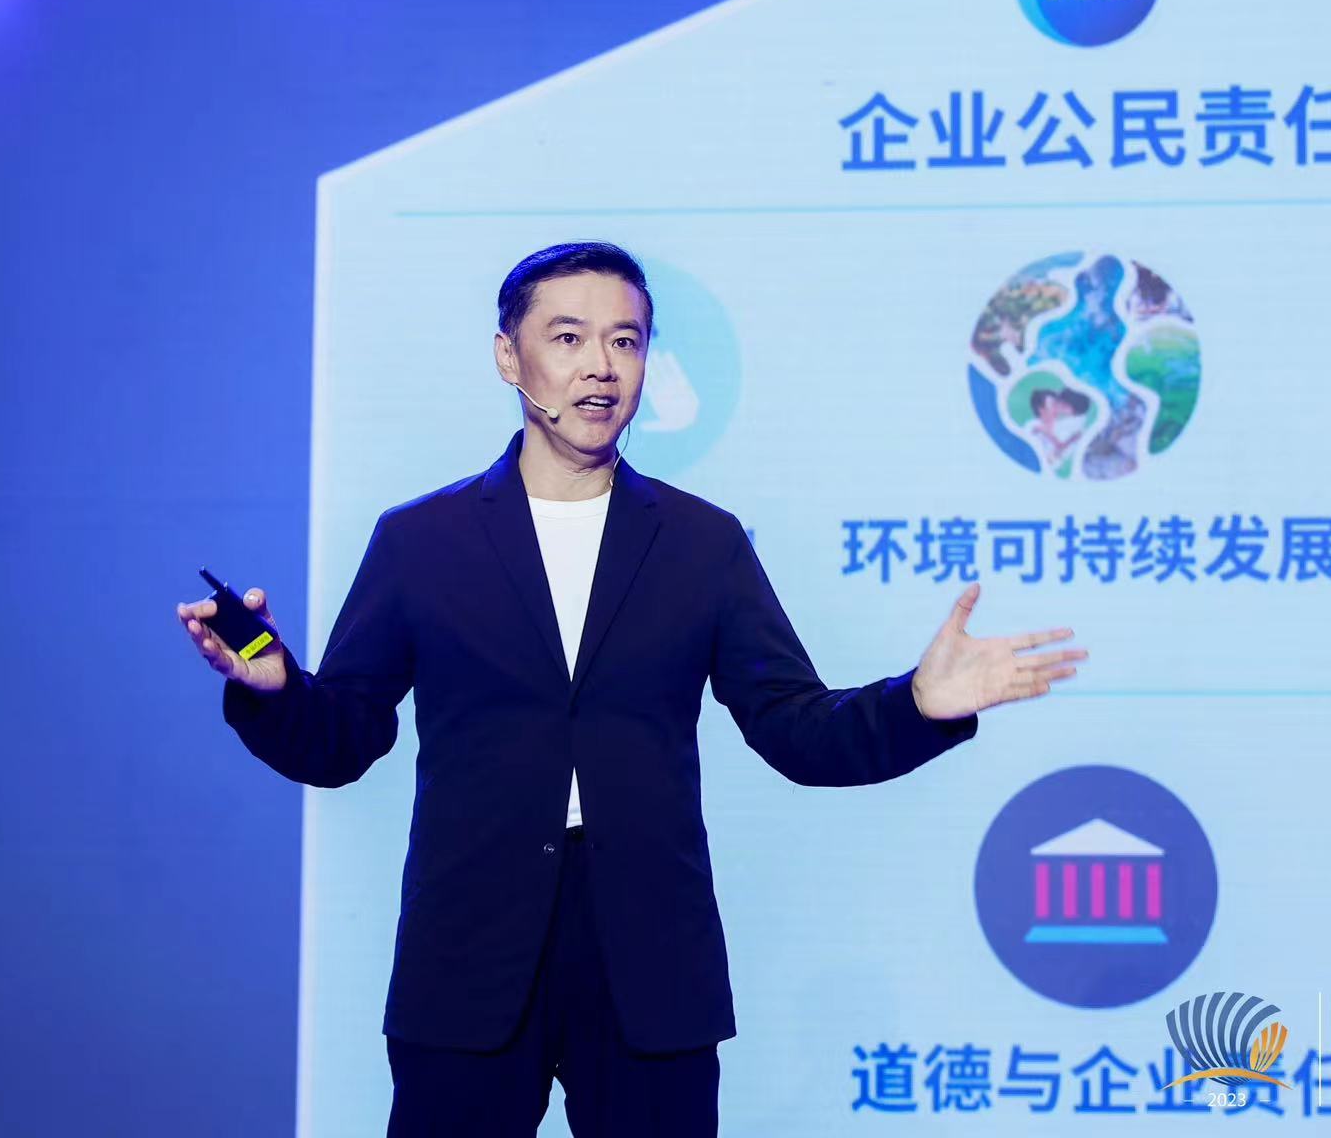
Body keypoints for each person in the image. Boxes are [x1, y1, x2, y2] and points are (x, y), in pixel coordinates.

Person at [175, 242, 1088, 1136]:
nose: (601, 368)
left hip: (650, 961)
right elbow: (342, 739)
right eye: (568, 338)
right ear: (508, 357)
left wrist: (917, 703)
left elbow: (796, 729)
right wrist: (274, 688)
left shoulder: (701, 543)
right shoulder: (423, 540)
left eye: (626, 341)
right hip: (469, 957)